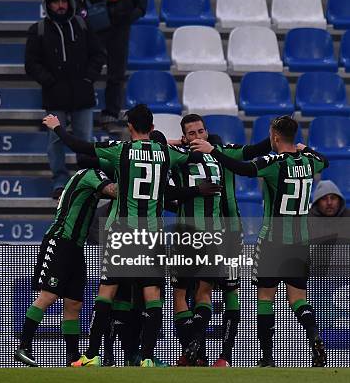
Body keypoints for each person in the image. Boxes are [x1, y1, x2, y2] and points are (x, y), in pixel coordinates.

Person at [43, 104, 199, 368]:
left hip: (122, 232)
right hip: (151, 234)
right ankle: (147, 357)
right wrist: (187, 143)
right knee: (152, 296)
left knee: (106, 294)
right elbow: (191, 156)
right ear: (152, 127)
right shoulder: (165, 152)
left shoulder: (121, 150)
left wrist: (57, 127)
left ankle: (91, 355)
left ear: (129, 128)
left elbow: (80, 147)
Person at [191, 116, 329, 368]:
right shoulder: (310, 161)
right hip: (300, 240)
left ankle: (266, 357)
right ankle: (313, 335)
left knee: (266, 298)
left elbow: (243, 169)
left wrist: (214, 152)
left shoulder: (274, 162)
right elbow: (325, 161)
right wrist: (305, 148)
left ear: (275, 136)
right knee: (298, 297)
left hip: (273, 239)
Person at [170, 114, 272, 368]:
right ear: (185, 136)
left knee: (226, 291)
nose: (197, 137)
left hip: (229, 232)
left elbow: (257, 149)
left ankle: (223, 356)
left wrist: (277, 134)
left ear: (207, 131)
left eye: (201, 132)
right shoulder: (180, 155)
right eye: (191, 134)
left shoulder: (224, 151)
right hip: (197, 232)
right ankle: (198, 353)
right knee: (196, 292)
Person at [14, 165, 117, 367]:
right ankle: (24, 347)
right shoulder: (91, 174)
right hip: (60, 240)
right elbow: (113, 191)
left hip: (76, 247)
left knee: (74, 303)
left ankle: (73, 357)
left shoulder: (89, 177)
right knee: (48, 295)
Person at [25, 0, 105, 198]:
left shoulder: (82, 25)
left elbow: (98, 54)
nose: (60, 6)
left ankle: (86, 181)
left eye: (63, 1)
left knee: (85, 140)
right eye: (55, 2)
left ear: (69, 3)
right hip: (54, 97)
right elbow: (31, 64)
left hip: (83, 95)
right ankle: (59, 183)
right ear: (48, 5)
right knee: (55, 141)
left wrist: (88, 78)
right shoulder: (38, 30)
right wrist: (49, 81)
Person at [65, 0, 148, 129]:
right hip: (94, 20)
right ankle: (75, 113)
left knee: (117, 71)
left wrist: (139, 9)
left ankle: (111, 115)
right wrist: (81, 10)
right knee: (84, 68)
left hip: (121, 22)